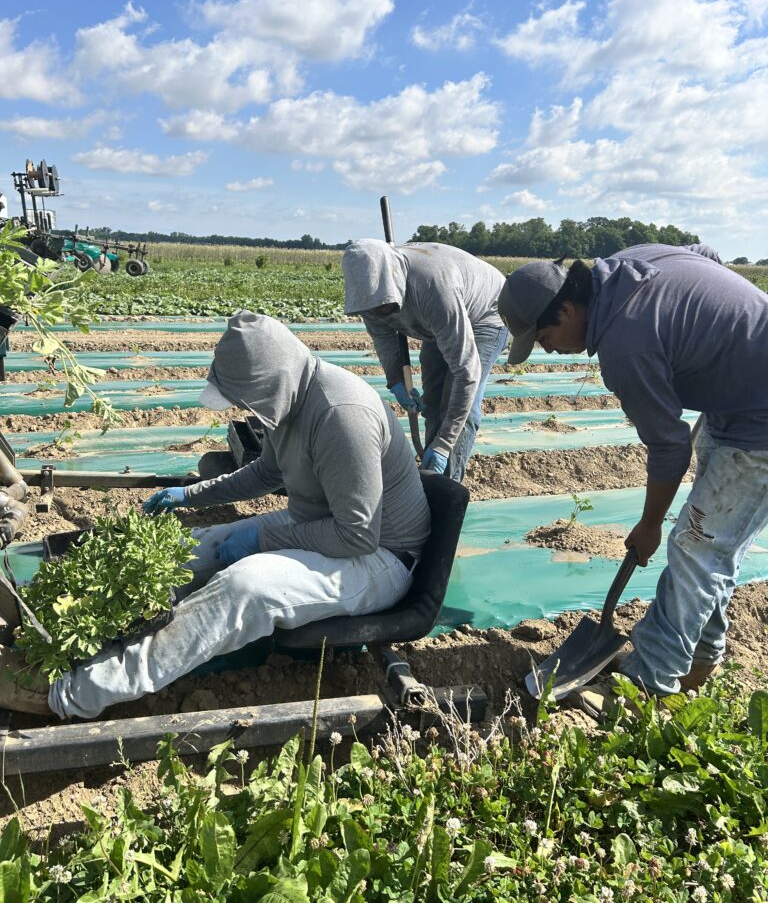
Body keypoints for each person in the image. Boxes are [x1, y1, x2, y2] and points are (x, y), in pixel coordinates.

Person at [0, 312, 431, 718]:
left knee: (244, 587)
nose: (242, 409)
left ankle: (69, 693)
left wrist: (261, 541)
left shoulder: (341, 415)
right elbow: (266, 473)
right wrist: (189, 496)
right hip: (321, 525)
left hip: (380, 557)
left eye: (245, 399)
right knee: (188, 551)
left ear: (269, 384)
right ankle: (55, 626)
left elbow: (356, 535)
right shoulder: (290, 397)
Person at [497, 244, 768, 714]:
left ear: (567, 308)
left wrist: (649, 525)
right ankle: (700, 658)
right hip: (734, 403)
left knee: (695, 543)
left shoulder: (626, 345)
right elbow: (704, 254)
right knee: (711, 544)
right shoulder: (625, 267)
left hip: (760, 422)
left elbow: (669, 447)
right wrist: (718, 340)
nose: (547, 349)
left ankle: (649, 682)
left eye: (544, 337)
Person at [342, 239, 508, 482]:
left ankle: (446, 481)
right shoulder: (369, 298)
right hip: (435, 322)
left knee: (459, 400)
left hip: (487, 314)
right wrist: (396, 381)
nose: (379, 313)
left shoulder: (433, 289)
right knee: (433, 399)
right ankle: (430, 473)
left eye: (385, 306)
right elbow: (384, 337)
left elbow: (466, 374)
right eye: (374, 308)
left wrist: (444, 443)